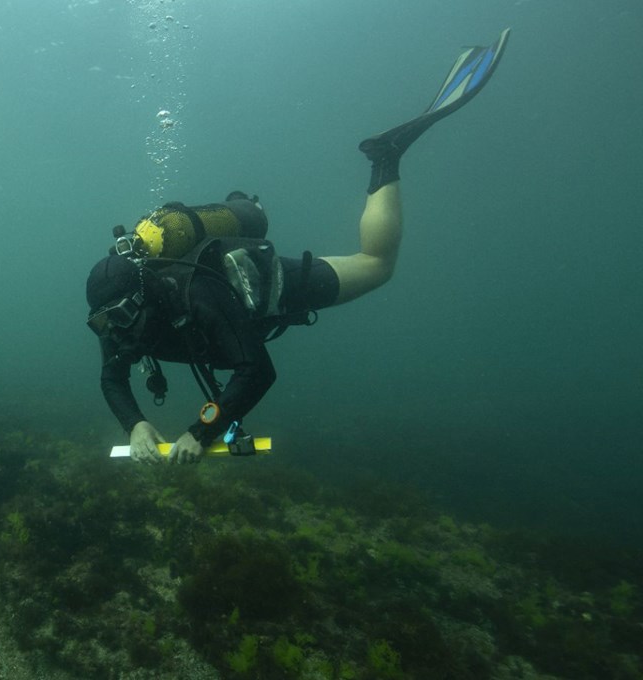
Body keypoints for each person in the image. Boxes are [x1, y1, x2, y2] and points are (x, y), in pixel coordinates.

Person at [86, 29, 510, 464]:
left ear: (144, 294)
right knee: (376, 264)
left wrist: (201, 431)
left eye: (117, 317)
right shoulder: (120, 316)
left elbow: (257, 370)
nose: (114, 330)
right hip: (226, 294)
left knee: (378, 265)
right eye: (101, 322)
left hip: (281, 283)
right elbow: (112, 379)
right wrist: (134, 424)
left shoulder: (197, 295)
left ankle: (387, 157)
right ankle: (246, 201)